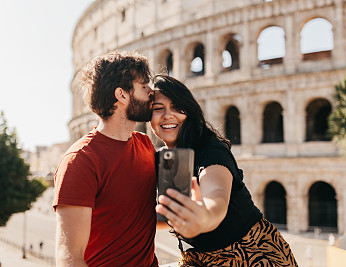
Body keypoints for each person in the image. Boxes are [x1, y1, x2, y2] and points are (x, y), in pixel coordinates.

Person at [151, 75, 298, 267]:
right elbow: (169, 217)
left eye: (177, 107)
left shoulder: (210, 149)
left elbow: (216, 195)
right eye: (158, 109)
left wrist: (205, 216)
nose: (168, 115)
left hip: (255, 256)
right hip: (202, 260)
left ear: (190, 112)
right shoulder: (166, 159)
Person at [53, 51, 158, 267]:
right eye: (144, 86)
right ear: (122, 95)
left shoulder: (145, 145)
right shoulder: (80, 161)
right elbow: (69, 257)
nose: (152, 93)